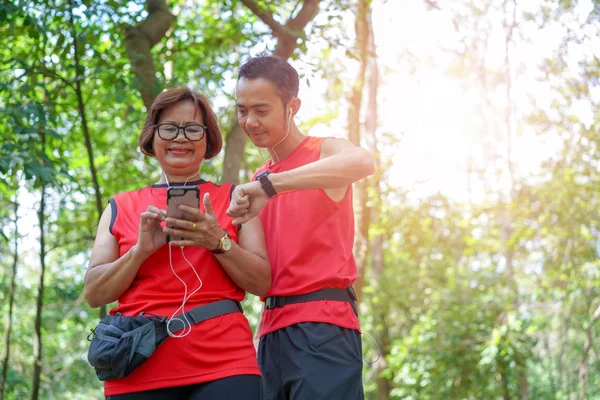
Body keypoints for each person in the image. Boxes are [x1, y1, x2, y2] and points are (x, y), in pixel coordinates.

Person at [84, 86, 270, 400]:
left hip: (226, 364)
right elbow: (94, 293)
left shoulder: (235, 198)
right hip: (139, 366)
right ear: (152, 137)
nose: (180, 137)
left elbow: (263, 282)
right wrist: (140, 251)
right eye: (169, 127)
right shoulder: (120, 206)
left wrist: (217, 240)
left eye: (193, 129)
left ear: (208, 139)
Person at [227, 55, 375, 400]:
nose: (249, 122)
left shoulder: (323, 152)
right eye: (242, 110)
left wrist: (272, 185)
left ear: (292, 107)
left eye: (261, 111)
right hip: (270, 333)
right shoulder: (257, 179)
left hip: (322, 327)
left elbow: (363, 161)